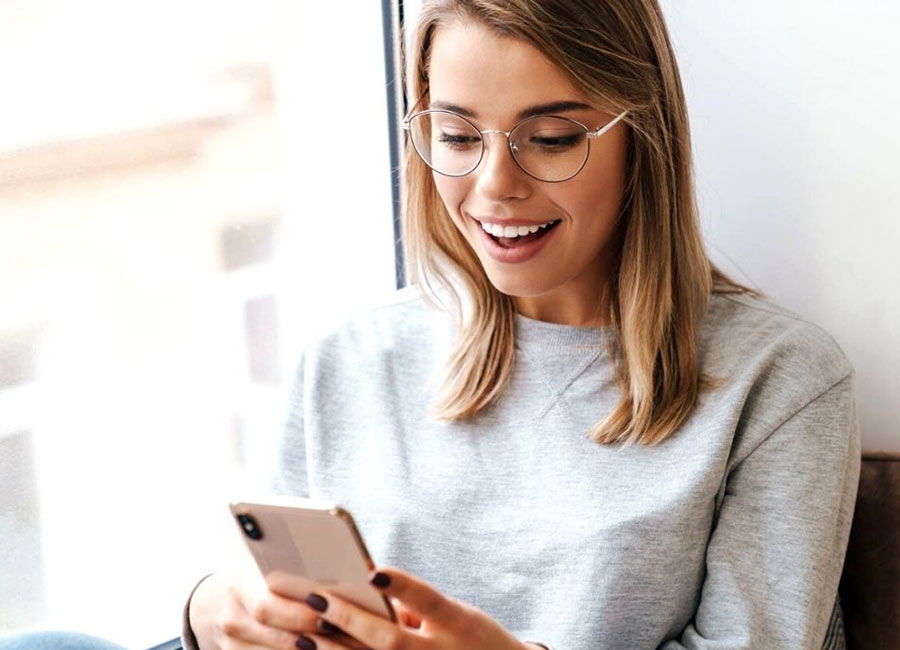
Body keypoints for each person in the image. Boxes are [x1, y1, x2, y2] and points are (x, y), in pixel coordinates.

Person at [183, 1, 860, 649]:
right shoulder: (350, 356)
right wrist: (214, 614)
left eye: (552, 140)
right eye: (456, 136)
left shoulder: (777, 379)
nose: (494, 186)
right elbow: (271, 603)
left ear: (643, 136)